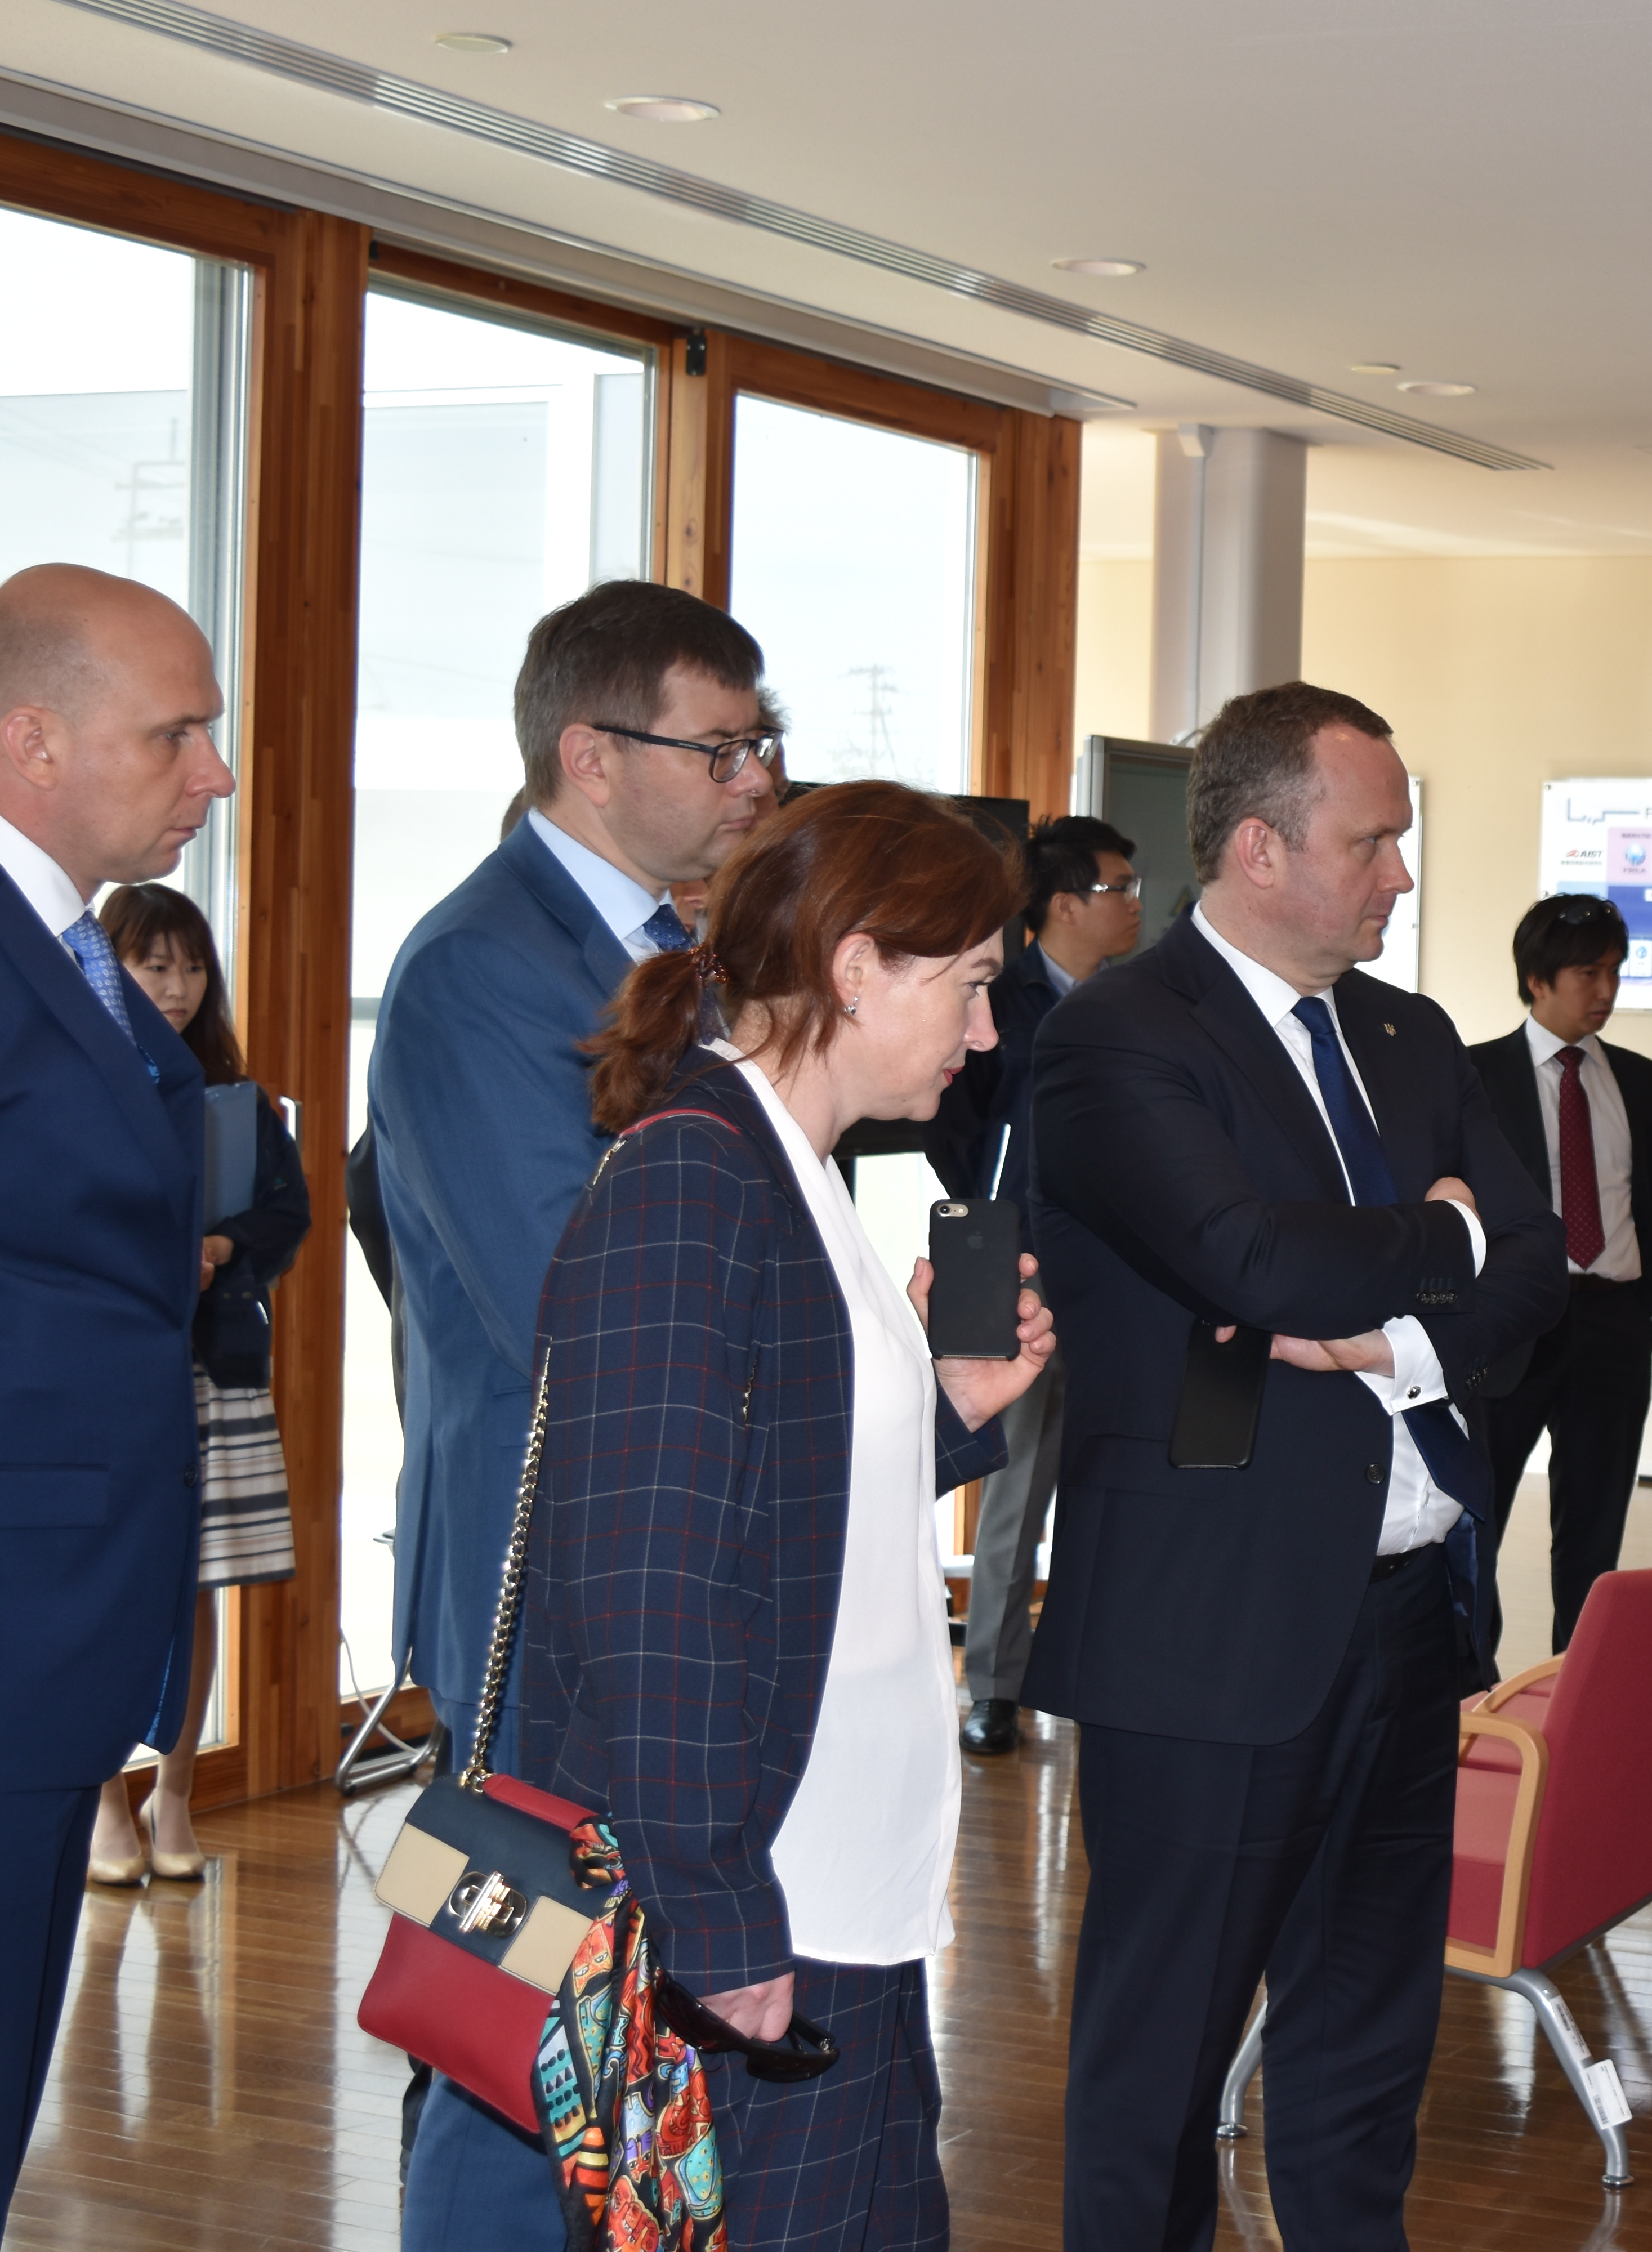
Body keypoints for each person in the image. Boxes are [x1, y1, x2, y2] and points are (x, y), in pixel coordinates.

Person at [1025, 681, 1565, 2249]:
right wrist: (1447, 1233)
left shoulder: (1404, 1034)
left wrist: (1399, 1334)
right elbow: (1252, 1263)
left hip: (1405, 1614)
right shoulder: (1122, 1035)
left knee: (1368, 2028)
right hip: (1211, 1625)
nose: (1402, 873)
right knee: (1162, 2050)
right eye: (1375, 840)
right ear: (1259, 849)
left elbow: (1540, 1270)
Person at [488, 780, 1050, 2250]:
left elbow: (786, 1512)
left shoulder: (789, 1173)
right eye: (973, 985)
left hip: (841, 1888)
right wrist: (716, 1918)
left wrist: (952, 1409)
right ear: (859, 965)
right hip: (757, 1901)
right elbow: (642, 1582)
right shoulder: (694, 1178)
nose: (986, 1032)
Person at [373, 578, 782, 2234]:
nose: (757, 781)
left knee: (630, 2003)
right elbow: (577, 1300)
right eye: (725, 748)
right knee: (510, 2003)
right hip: (532, 1576)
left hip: (665, 1551)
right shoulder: (477, 968)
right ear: (590, 754)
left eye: (764, 745)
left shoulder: (685, 956)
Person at [0, 561, 231, 2211]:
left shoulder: (79, 953)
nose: (213, 776)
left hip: (71, 1614)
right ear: (36, 743)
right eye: (178, 736)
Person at [87, 882, 307, 1886]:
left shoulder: (238, 1096)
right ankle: (105, 1811)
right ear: (112, 967)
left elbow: (289, 1214)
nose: (177, 986)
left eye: (190, 965)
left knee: (198, 1590)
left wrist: (224, 1246)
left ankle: (175, 1800)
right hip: (119, 1373)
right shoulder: (80, 1078)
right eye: (153, 964)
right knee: (111, 1586)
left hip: (214, 1366)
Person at [931, 813, 1138, 1754]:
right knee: (1014, 1479)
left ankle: (1096, 1667)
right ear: (1064, 904)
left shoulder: (1140, 1002)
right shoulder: (996, 998)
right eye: (1118, 889)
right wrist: (991, 1197)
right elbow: (951, 1120)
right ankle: (997, 1684)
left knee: (1110, 1472)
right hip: (1013, 1259)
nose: (1135, 904)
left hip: (1116, 1270)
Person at [1468, 893, 1652, 1650]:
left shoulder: (1641, 1080)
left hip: (1615, 1326)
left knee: (1594, 1530)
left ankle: (1578, 1691)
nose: (1607, 991)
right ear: (1537, 980)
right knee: (1476, 1516)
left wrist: (1651, 1312)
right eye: (1588, 973)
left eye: (1615, 972)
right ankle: (1470, 1689)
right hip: (1515, 1328)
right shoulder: (1474, 1077)